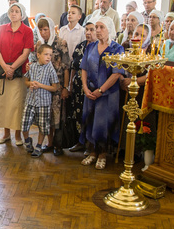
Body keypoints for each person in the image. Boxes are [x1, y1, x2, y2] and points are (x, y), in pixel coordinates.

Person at [79, 17, 125, 170]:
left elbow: (117, 73)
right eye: (96, 27)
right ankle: (92, 152)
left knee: (103, 123)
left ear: (109, 29)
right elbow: (84, 68)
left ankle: (102, 154)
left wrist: (101, 90)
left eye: (101, 27)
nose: (97, 30)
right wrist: (85, 87)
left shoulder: (117, 48)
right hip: (90, 91)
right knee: (90, 119)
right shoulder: (91, 46)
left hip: (108, 94)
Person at [0, 2, 34, 145]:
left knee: (17, 104)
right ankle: (5, 134)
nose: (14, 13)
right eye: (11, 11)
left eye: (17, 11)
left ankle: (17, 135)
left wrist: (12, 68)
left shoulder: (27, 31)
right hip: (1, 70)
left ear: (22, 14)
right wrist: (5, 67)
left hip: (19, 72)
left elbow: (25, 53)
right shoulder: (2, 28)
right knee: (3, 103)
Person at [33, 17, 70, 155]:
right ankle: (49, 143)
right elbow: (36, 63)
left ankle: (58, 145)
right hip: (43, 85)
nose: (43, 33)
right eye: (40, 30)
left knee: (57, 115)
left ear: (51, 29)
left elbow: (66, 67)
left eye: (45, 30)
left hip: (57, 84)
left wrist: (65, 87)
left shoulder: (61, 43)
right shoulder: (39, 44)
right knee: (46, 115)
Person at [21, 44, 60, 157]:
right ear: (38, 55)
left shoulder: (50, 69)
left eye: (50, 55)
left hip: (44, 103)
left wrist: (40, 85)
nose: (48, 57)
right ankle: (27, 141)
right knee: (24, 125)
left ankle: (38, 146)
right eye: (46, 54)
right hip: (30, 101)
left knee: (43, 127)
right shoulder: (32, 66)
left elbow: (55, 87)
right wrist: (30, 83)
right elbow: (26, 81)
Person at [66, 22, 96, 153]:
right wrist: (70, 85)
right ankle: (80, 141)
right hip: (78, 85)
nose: (88, 32)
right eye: (87, 30)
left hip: (91, 87)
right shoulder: (80, 46)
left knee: (89, 115)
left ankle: (90, 144)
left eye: (92, 30)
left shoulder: (99, 48)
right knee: (78, 113)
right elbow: (73, 67)